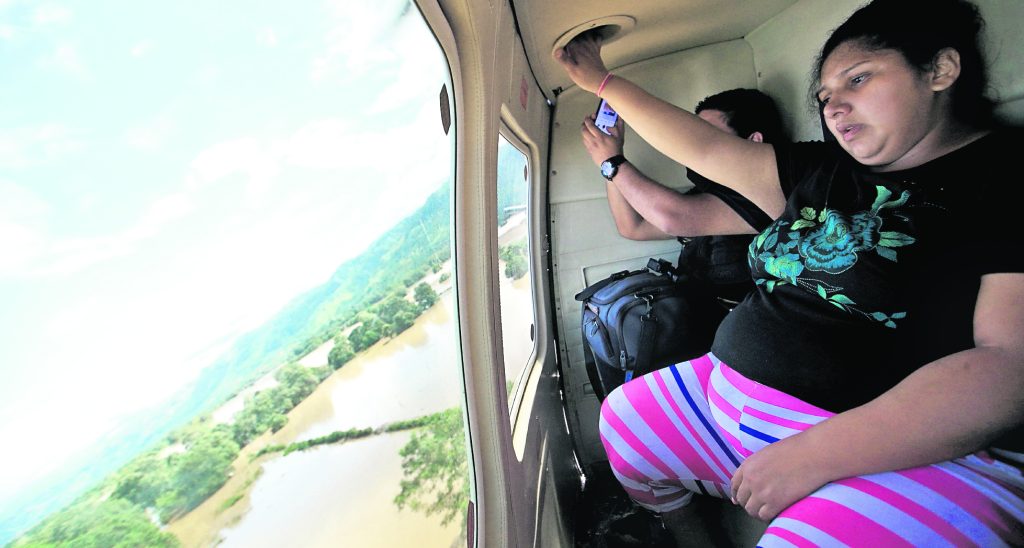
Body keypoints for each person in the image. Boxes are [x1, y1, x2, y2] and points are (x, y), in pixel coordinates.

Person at [554, 0, 1024, 544]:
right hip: (727, 396)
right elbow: (703, 149)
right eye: (825, 97)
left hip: (897, 443)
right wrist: (603, 83)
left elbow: (1009, 365)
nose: (835, 108)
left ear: (940, 70)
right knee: (623, 422)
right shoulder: (820, 170)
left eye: (859, 79)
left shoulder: (1004, 175)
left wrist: (815, 454)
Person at [584, 88, 785, 303]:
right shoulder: (709, 192)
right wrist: (612, 161)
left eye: (709, 136)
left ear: (754, 141)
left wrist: (612, 162)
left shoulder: (768, 195)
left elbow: (673, 217)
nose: (693, 146)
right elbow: (633, 227)